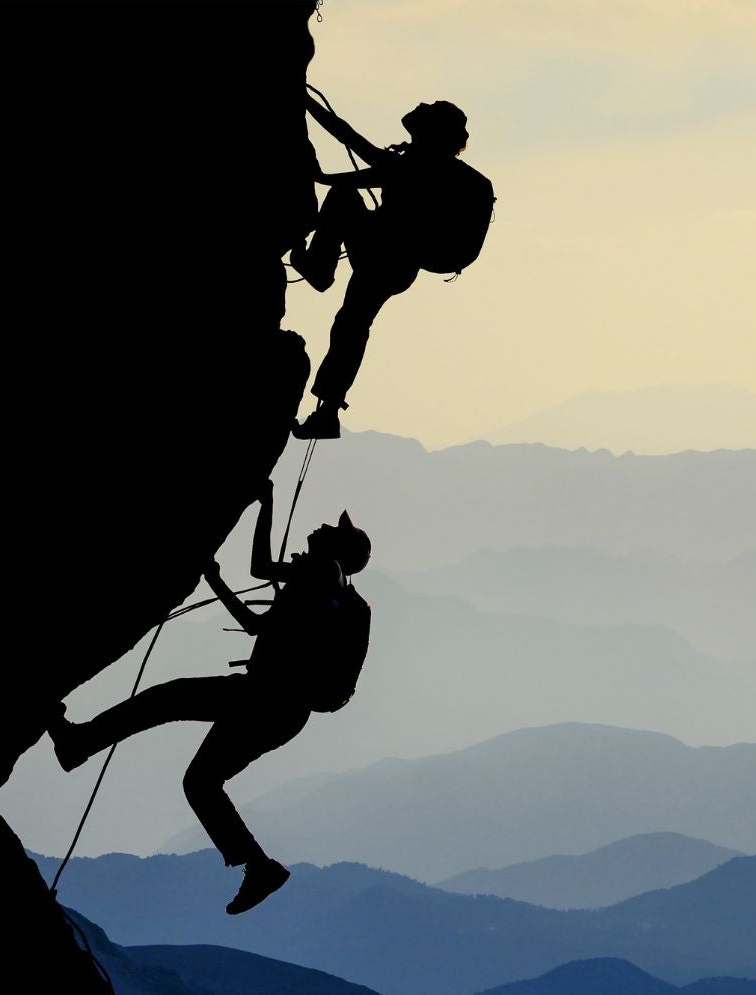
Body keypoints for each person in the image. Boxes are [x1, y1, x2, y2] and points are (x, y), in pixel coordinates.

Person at [49, 482, 373, 914]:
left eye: (330, 528)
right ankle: (258, 865)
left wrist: (264, 507)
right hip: (281, 711)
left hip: (261, 698)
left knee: (167, 702)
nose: (319, 526)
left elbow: (258, 581)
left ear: (339, 548)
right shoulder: (338, 595)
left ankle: (79, 744)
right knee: (199, 779)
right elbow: (262, 606)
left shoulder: (318, 574)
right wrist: (218, 578)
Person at [290, 96, 485, 439]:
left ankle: (319, 268)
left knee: (351, 321)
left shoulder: (413, 167)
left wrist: (303, 100)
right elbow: (348, 139)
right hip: (401, 265)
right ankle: (329, 411)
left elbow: (347, 139)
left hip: (383, 254)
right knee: (353, 323)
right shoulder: (449, 174)